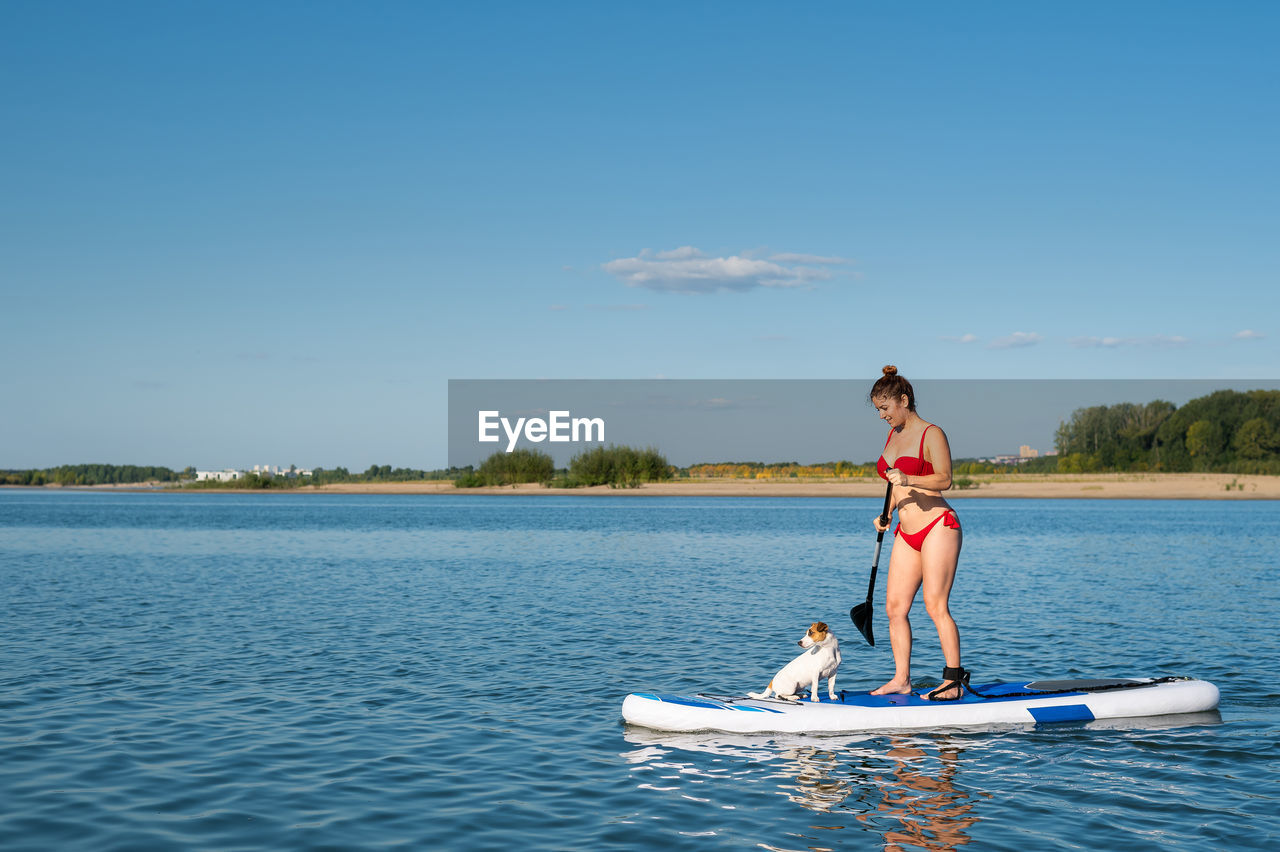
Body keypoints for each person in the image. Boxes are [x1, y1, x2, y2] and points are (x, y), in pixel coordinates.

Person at [867, 365, 968, 701]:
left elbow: (944, 479)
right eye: (878, 410)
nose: (882, 416)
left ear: (904, 400)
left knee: (935, 605)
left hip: (938, 525)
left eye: (885, 408)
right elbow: (893, 487)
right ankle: (901, 679)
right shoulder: (892, 436)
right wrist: (887, 513)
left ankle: (953, 682)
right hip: (906, 532)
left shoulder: (932, 433)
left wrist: (908, 480)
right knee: (894, 608)